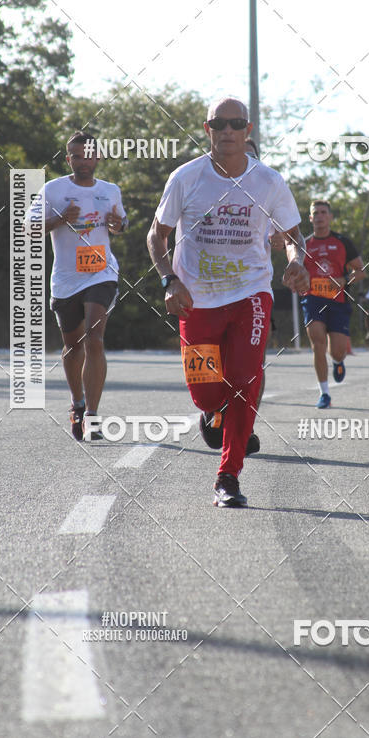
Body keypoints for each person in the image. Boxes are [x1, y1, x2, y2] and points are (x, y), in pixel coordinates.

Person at [147, 97, 309, 508]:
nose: (228, 131)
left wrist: (296, 262)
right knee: (206, 395)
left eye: (236, 124)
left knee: (243, 380)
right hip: (195, 298)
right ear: (208, 129)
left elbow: (293, 235)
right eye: (220, 124)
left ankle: (228, 476)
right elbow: (156, 235)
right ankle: (212, 411)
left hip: (250, 293)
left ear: (248, 130)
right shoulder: (186, 178)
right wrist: (169, 280)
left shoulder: (269, 181)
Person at [26, 131, 127, 441]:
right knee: (73, 347)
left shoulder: (110, 190)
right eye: (77, 156)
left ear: (98, 157)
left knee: (94, 339)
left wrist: (116, 225)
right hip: (66, 280)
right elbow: (28, 228)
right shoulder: (53, 189)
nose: (84, 161)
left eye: (89, 155)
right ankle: (77, 404)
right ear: (68, 159)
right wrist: (57, 219)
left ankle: (93, 418)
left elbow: (120, 224)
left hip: (101, 273)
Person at [300, 200, 365, 409]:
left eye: (323, 212)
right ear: (310, 218)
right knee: (317, 340)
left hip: (338, 301)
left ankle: (338, 361)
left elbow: (360, 271)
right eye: (315, 213)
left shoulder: (342, 242)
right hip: (313, 299)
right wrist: (294, 280)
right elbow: (296, 272)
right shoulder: (304, 245)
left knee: (337, 351)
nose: (319, 216)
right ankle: (324, 393)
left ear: (330, 217)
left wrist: (345, 280)